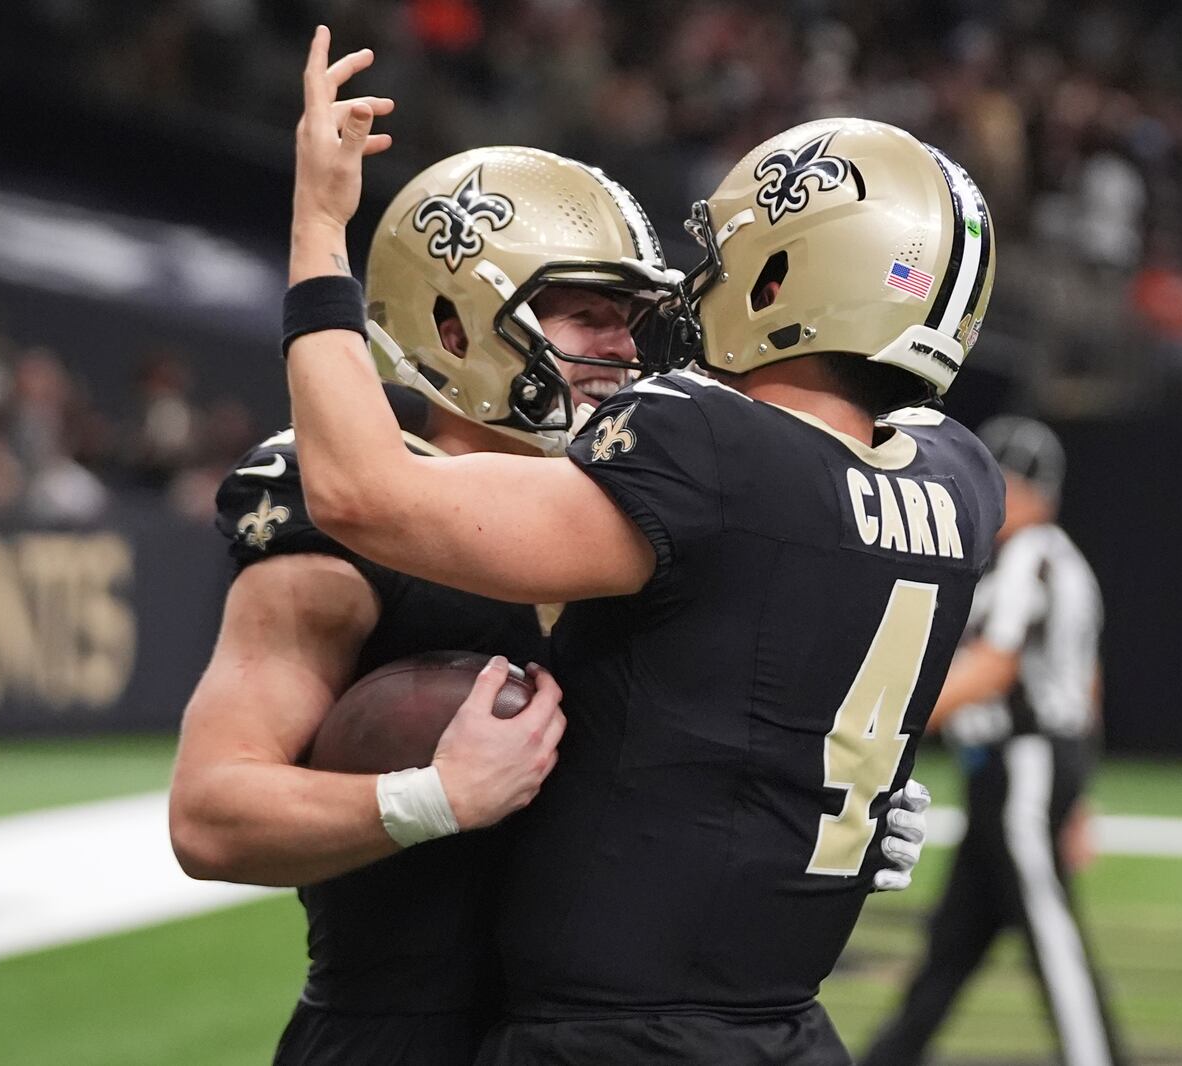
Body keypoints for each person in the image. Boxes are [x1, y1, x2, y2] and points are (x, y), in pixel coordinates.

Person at [281, 29, 1002, 1065]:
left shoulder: (706, 447)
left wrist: (315, 225)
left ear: (782, 281)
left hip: (620, 1038)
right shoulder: (959, 477)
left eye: (729, 256)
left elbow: (358, 489)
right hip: (788, 1024)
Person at [862, 416, 1126, 1066]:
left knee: (1048, 929)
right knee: (953, 946)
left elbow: (995, 667)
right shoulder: (1066, 561)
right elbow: (1087, 682)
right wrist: (1082, 796)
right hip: (1022, 766)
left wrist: (886, 720)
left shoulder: (1029, 556)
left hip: (1025, 762)